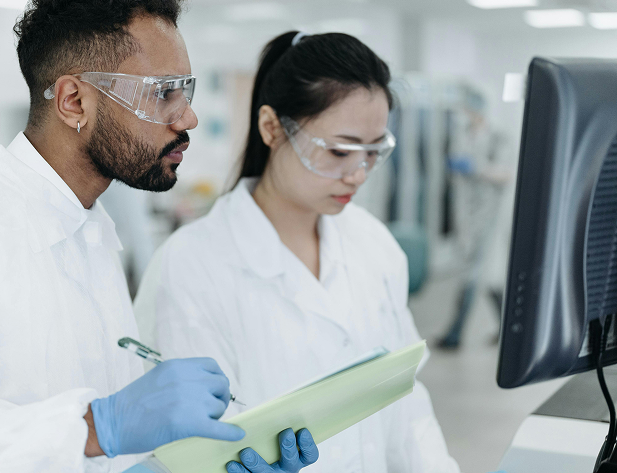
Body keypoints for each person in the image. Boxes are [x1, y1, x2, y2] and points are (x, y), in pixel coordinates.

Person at [0, 3, 317, 472]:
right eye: (162, 92)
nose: (186, 118)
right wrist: (97, 426)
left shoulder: (89, 231)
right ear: (74, 100)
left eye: (185, 92)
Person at [134, 31, 461, 473]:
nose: (358, 175)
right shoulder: (194, 264)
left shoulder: (373, 244)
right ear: (271, 127)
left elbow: (406, 406)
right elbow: (197, 445)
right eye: (340, 150)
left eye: (372, 152)